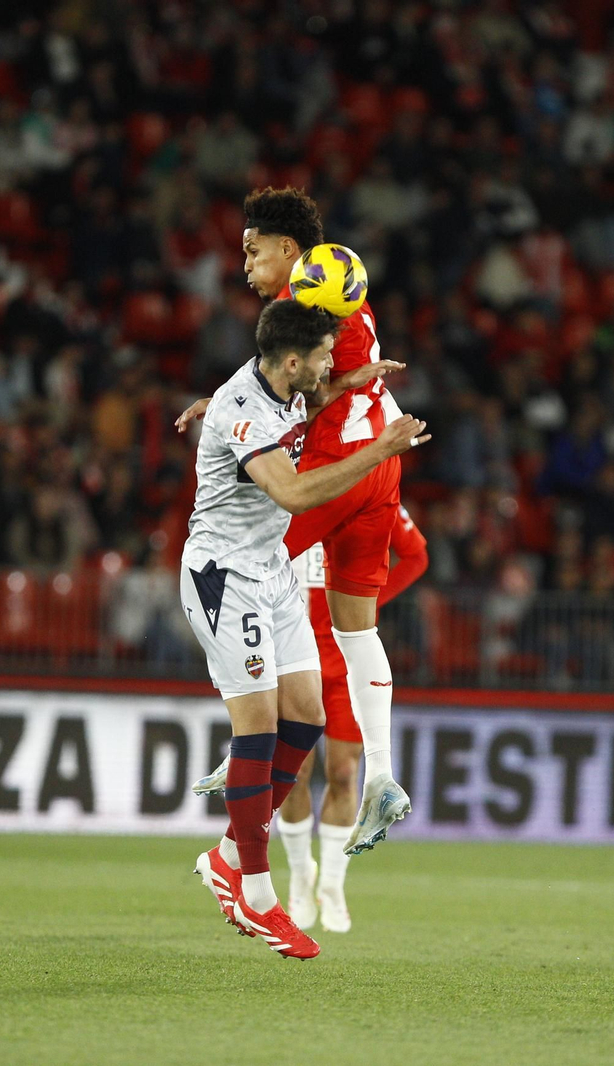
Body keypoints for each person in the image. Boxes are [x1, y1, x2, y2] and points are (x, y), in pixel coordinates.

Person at [182, 298, 428, 959]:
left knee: (306, 718)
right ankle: (256, 896)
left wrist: (348, 383)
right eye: (324, 355)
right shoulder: (247, 412)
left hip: (271, 573)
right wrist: (378, 449)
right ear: (294, 361)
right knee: (257, 727)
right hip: (225, 575)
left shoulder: (285, 380)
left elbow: (306, 393)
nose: (330, 363)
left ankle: (229, 855)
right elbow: (293, 495)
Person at [179, 187, 415, 857]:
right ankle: (384, 774)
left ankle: (249, 735)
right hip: (382, 475)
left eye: (253, 253)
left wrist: (226, 404)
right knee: (356, 628)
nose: (247, 268)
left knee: (235, 564)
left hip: (338, 468)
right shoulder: (345, 289)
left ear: (289, 251)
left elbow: (304, 385)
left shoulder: (304, 302)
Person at [278, 508, 429, 933]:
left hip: (347, 663)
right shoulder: (288, 483)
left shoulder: (365, 485)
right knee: (294, 772)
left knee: (344, 774)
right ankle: (298, 876)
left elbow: (416, 555)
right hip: (293, 658)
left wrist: (365, 601)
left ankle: (331, 883)